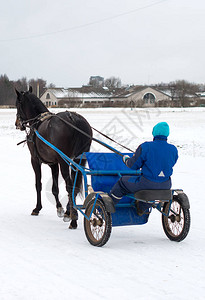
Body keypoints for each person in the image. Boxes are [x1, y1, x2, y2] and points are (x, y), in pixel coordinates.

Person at [109, 122, 178, 205]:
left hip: (146, 184)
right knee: (150, 192)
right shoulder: (173, 149)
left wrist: (126, 159)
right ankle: (141, 209)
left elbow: (133, 165)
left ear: (154, 132)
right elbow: (170, 163)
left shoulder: (145, 146)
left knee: (122, 182)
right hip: (166, 185)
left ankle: (110, 206)